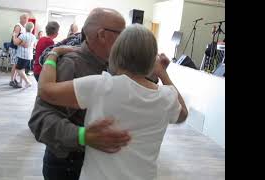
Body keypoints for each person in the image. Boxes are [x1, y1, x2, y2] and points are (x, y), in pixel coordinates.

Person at [39, 24, 188, 180]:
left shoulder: (101, 86)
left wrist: (53, 54)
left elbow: (46, 90)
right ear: (152, 60)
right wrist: (163, 74)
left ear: (116, 52)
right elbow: (183, 114)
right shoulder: (166, 97)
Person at [28, 8, 130, 180]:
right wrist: (83, 136)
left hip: (94, 162)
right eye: (121, 34)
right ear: (102, 35)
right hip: (69, 166)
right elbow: (40, 120)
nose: (125, 40)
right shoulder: (71, 65)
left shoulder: (111, 64)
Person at [12, 22, 37, 88]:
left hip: (22, 56)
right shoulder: (34, 37)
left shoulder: (23, 35)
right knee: (22, 69)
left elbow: (15, 42)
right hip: (29, 56)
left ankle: (28, 82)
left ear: (25, 28)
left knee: (18, 69)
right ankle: (20, 83)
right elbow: (34, 46)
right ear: (32, 29)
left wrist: (14, 36)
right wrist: (23, 44)